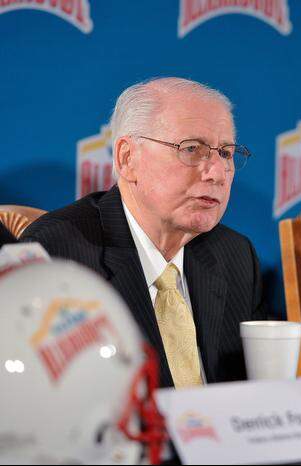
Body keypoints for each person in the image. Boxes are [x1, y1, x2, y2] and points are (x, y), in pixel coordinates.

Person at [22, 77, 263, 388]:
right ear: (127, 158)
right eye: (191, 149)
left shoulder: (235, 256)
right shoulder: (57, 257)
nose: (216, 172)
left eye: (226, 153)